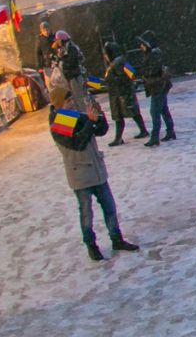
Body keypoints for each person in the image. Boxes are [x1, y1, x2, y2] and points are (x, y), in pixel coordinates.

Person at [48, 80, 140, 260]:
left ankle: (117, 239)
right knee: (86, 213)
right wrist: (90, 122)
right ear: (59, 103)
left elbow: (100, 130)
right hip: (80, 174)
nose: (72, 103)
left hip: (96, 170)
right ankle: (91, 245)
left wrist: (99, 117)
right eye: (68, 101)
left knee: (109, 207)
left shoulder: (73, 115)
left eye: (71, 100)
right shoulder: (58, 121)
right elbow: (78, 143)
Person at [100, 41, 147, 145]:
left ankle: (119, 138)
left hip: (122, 93)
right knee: (130, 114)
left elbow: (130, 75)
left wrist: (113, 81)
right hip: (119, 93)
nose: (105, 56)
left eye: (106, 54)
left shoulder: (118, 62)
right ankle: (141, 131)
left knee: (123, 116)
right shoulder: (117, 62)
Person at [136, 33, 173, 146]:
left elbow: (152, 70)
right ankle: (170, 131)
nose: (140, 47)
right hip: (159, 86)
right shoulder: (153, 53)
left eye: (142, 44)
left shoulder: (153, 54)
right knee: (163, 110)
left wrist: (145, 77)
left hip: (158, 86)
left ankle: (155, 137)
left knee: (155, 112)